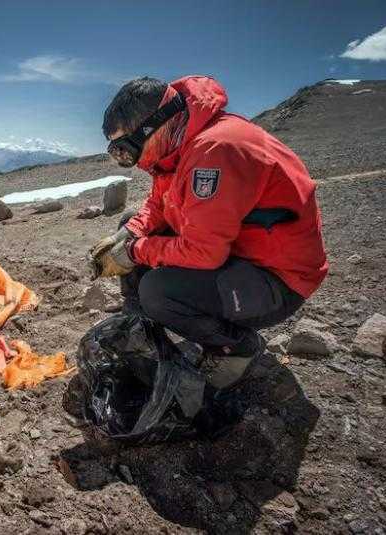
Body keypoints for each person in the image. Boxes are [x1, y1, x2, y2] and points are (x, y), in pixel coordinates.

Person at [90, 76, 328, 390]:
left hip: (278, 281)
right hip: (240, 254)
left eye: (128, 149)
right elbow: (158, 203)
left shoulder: (214, 151)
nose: (131, 162)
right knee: (129, 223)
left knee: (158, 290)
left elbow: (203, 252)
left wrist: (134, 252)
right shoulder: (177, 143)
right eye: (118, 153)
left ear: (154, 126)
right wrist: (129, 235)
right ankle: (141, 323)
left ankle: (235, 347)